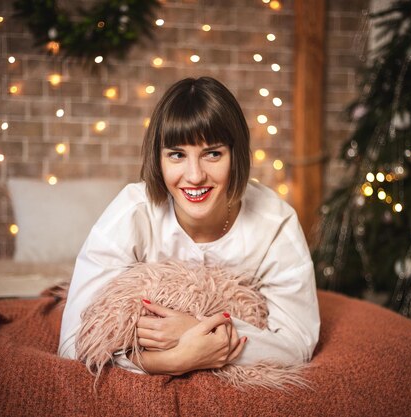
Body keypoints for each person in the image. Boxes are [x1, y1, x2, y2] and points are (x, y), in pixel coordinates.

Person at [59, 76, 320, 375]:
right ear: (158, 160)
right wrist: (168, 361)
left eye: (212, 154)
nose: (194, 176)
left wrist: (202, 333)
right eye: (177, 155)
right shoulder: (133, 213)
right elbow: (71, 343)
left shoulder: (276, 223)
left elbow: (297, 344)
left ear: (236, 157)